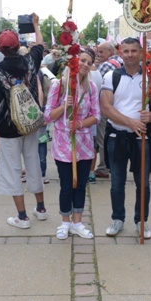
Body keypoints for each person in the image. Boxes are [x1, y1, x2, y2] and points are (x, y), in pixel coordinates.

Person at [0, 14, 48, 230]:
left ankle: (22, 217)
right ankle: (41, 209)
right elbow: (40, 44)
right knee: (33, 163)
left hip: (8, 129)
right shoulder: (31, 60)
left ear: (1, 49)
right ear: (18, 46)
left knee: (12, 169)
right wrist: (35, 24)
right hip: (31, 125)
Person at [100, 37, 151, 239]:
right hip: (117, 136)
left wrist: (150, 116)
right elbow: (106, 107)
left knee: (143, 183)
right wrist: (131, 122)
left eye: (134, 51)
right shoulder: (111, 76)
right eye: (126, 51)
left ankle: (141, 221)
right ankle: (117, 218)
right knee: (117, 182)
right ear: (120, 52)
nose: (130, 55)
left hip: (141, 137)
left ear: (141, 52)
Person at [44, 47, 100, 239]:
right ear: (73, 62)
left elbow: (97, 115)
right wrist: (64, 106)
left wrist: (80, 123)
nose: (85, 65)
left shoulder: (91, 88)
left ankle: (78, 221)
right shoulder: (58, 86)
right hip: (63, 143)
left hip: (84, 142)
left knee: (81, 184)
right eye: (82, 61)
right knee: (67, 185)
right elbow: (48, 116)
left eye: (88, 62)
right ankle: (65, 222)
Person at [93, 42, 123, 180]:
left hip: (105, 106)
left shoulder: (106, 66)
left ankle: (103, 167)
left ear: (110, 52)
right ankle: (110, 165)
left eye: (101, 52)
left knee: (101, 138)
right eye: (98, 52)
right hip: (117, 106)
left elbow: (97, 86)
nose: (99, 55)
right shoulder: (119, 62)